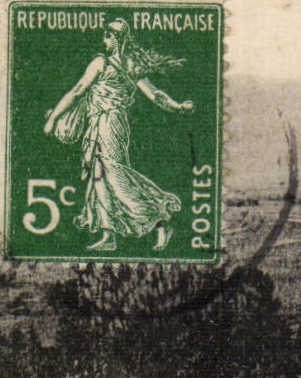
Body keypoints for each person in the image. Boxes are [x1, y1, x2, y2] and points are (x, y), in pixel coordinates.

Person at [43, 19, 194, 252]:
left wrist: (54, 118)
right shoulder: (130, 64)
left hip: (109, 124)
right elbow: (157, 96)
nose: (104, 41)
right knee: (100, 177)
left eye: (107, 36)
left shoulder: (102, 63)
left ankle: (160, 221)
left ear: (116, 38)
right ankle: (109, 235)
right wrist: (178, 106)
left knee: (113, 176)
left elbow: (77, 91)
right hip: (101, 124)